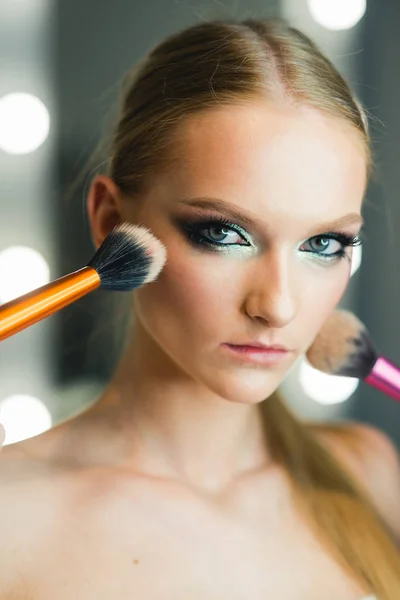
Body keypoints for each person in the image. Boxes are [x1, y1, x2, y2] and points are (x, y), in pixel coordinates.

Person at [0, 17, 400, 600]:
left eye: (323, 244)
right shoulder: (14, 515)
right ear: (112, 222)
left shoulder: (368, 474)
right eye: (224, 234)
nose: (278, 306)